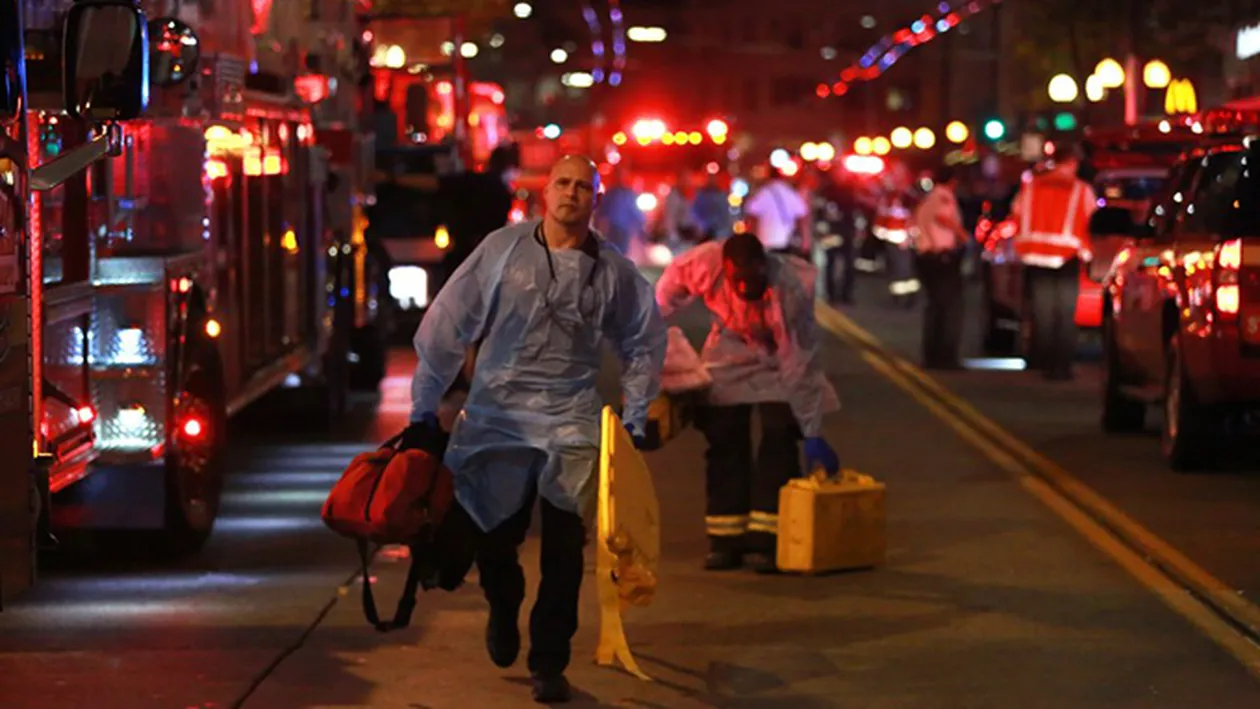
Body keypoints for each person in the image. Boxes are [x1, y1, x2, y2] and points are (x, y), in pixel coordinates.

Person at [405, 155, 667, 703]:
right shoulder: (503, 252)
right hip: (498, 418)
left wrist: (637, 416)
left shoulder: (613, 271)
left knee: (565, 552)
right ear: (545, 193)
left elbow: (641, 344)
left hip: (571, 421)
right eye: (562, 183)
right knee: (495, 540)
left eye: (582, 186)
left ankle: (549, 660)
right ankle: (503, 605)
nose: (571, 193)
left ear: (595, 199)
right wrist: (424, 407)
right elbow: (447, 326)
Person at [656, 232, 840, 574]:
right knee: (725, 437)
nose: (743, 289)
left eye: (751, 280)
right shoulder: (705, 264)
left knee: (780, 435)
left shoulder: (789, 290)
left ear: (763, 267)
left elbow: (798, 361)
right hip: (728, 350)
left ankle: (766, 538)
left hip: (775, 356)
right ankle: (726, 540)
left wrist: (812, 430)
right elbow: (666, 291)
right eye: (736, 280)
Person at [1009, 146, 1096, 381]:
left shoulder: (1032, 186)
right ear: (1071, 163)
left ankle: (1041, 361)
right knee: (1065, 315)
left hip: (1035, 256)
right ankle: (1061, 367)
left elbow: (1015, 212)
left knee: (1043, 313)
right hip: (1066, 257)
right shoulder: (1080, 190)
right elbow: (1090, 220)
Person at [913, 166, 971, 370]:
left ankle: (932, 356)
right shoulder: (943, 197)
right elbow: (943, 217)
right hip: (941, 256)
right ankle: (945, 357)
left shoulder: (928, 198)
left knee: (935, 308)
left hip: (927, 256)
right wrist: (963, 236)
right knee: (950, 309)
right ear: (953, 181)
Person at [814, 166, 861, 304]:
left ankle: (845, 294)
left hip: (846, 231)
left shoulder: (850, 189)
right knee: (832, 263)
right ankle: (832, 295)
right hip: (832, 232)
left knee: (848, 265)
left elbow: (856, 212)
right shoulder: (828, 190)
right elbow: (821, 210)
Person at [743, 165, 810, 256]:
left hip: (766, 242)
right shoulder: (790, 193)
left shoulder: (762, 194)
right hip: (786, 243)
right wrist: (805, 240)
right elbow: (802, 217)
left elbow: (752, 216)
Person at [593, 164, 646, 257]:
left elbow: (635, 212)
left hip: (623, 228)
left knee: (621, 250)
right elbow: (601, 211)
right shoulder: (610, 194)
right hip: (613, 228)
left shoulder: (628, 194)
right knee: (614, 249)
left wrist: (641, 227)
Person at [691, 171, 734, 241]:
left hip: (720, 232)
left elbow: (725, 212)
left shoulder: (721, 195)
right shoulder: (701, 195)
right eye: (710, 178)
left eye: (713, 178)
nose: (712, 180)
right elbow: (696, 211)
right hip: (705, 232)